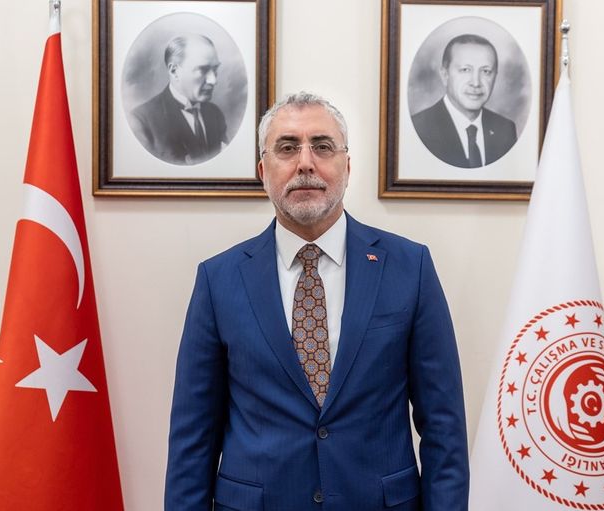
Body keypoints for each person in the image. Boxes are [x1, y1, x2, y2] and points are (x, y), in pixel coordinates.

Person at [165, 91, 469, 510]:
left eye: (323, 146)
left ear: (347, 166)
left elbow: (444, 429)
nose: (305, 162)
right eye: (287, 147)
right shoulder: (218, 280)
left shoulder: (409, 267)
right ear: (263, 171)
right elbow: (192, 439)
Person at [412, 34, 517, 168]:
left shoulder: (505, 129)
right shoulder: (419, 129)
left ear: (495, 76)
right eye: (465, 70)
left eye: (486, 71)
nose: (476, 83)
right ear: (445, 75)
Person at [129, 34, 227, 165]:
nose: (213, 80)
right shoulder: (141, 120)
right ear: (174, 71)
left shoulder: (215, 114)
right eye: (203, 70)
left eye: (215, 69)